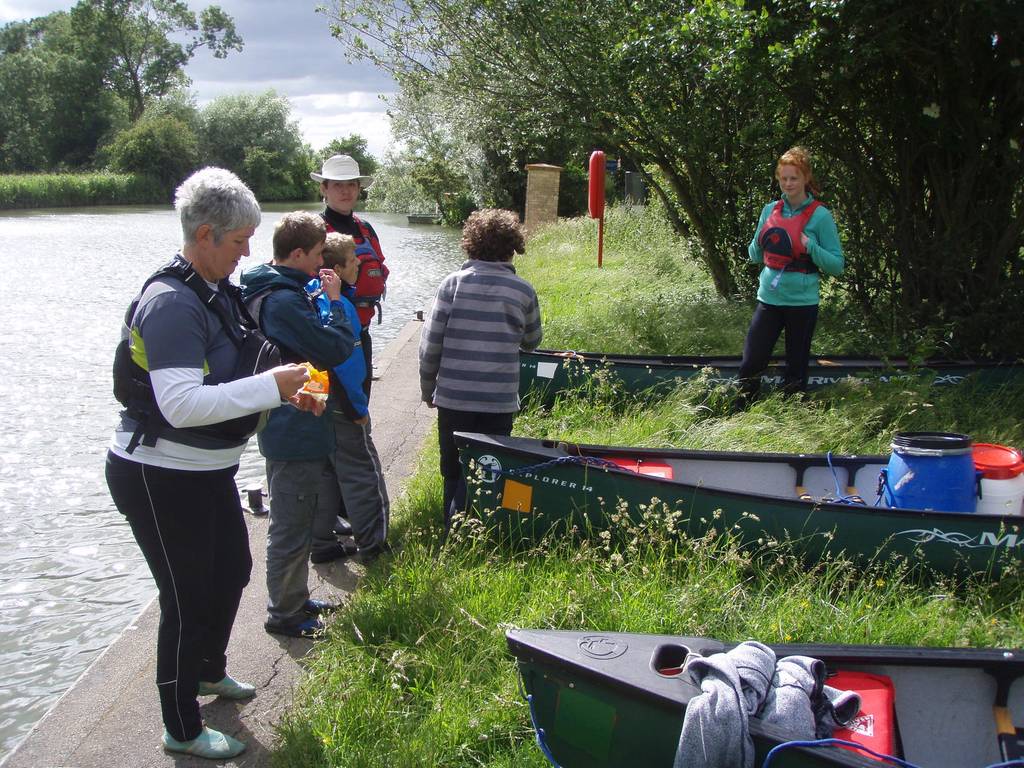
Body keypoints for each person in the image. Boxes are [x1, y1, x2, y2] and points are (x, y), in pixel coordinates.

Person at [105, 167, 316, 760]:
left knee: (231, 573)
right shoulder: (172, 302)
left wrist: (283, 389)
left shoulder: (215, 289)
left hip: (206, 471)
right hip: (158, 474)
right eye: (240, 239)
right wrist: (272, 388)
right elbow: (180, 405)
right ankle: (182, 725)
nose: (250, 249)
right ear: (204, 234)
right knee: (186, 595)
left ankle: (205, 672)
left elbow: (232, 374)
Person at [240, 212, 356, 639]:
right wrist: (338, 303)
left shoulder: (280, 288)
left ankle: (296, 597)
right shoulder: (282, 300)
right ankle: (285, 614)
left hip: (297, 418)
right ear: (297, 252)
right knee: (290, 522)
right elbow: (333, 347)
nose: (321, 260)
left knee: (300, 515)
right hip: (292, 426)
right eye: (316, 254)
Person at [418, 208, 543, 528]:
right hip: (498, 400)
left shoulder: (451, 285)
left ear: (470, 244)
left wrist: (427, 387)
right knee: (490, 464)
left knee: (453, 466)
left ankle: (452, 527)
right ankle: (484, 525)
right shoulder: (524, 290)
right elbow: (532, 341)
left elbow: (430, 343)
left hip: (454, 397)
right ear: (511, 247)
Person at [736, 146, 844, 401]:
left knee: (796, 369)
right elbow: (753, 255)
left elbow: (837, 265)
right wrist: (760, 239)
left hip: (802, 303)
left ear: (806, 178)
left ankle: (792, 416)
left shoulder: (820, 216)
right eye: (783, 178)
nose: (788, 183)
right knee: (751, 362)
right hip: (769, 300)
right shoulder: (769, 210)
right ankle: (742, 413)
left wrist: (811, 247)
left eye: (793, 178)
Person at [308, 233, 391, 563]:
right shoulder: (340, 305)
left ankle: (321, 543)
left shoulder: (311, 297)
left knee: (326, 472)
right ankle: (375, 547)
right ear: (339, 269)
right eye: (355, 260)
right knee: (362, 472)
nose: (361, 265)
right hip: (345, 404)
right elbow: (347, 364)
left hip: (320, 402)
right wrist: (358, 408)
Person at [311, 154, 388, 382]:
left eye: (351, 185)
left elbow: (380, 268)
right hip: (330, 335)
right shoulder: (314, 230)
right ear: (324, 189)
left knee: (361, 405)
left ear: (358, 189)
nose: (346, 191)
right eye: (337, 185)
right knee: (338, 409)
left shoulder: (366, 229)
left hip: (362, 332)